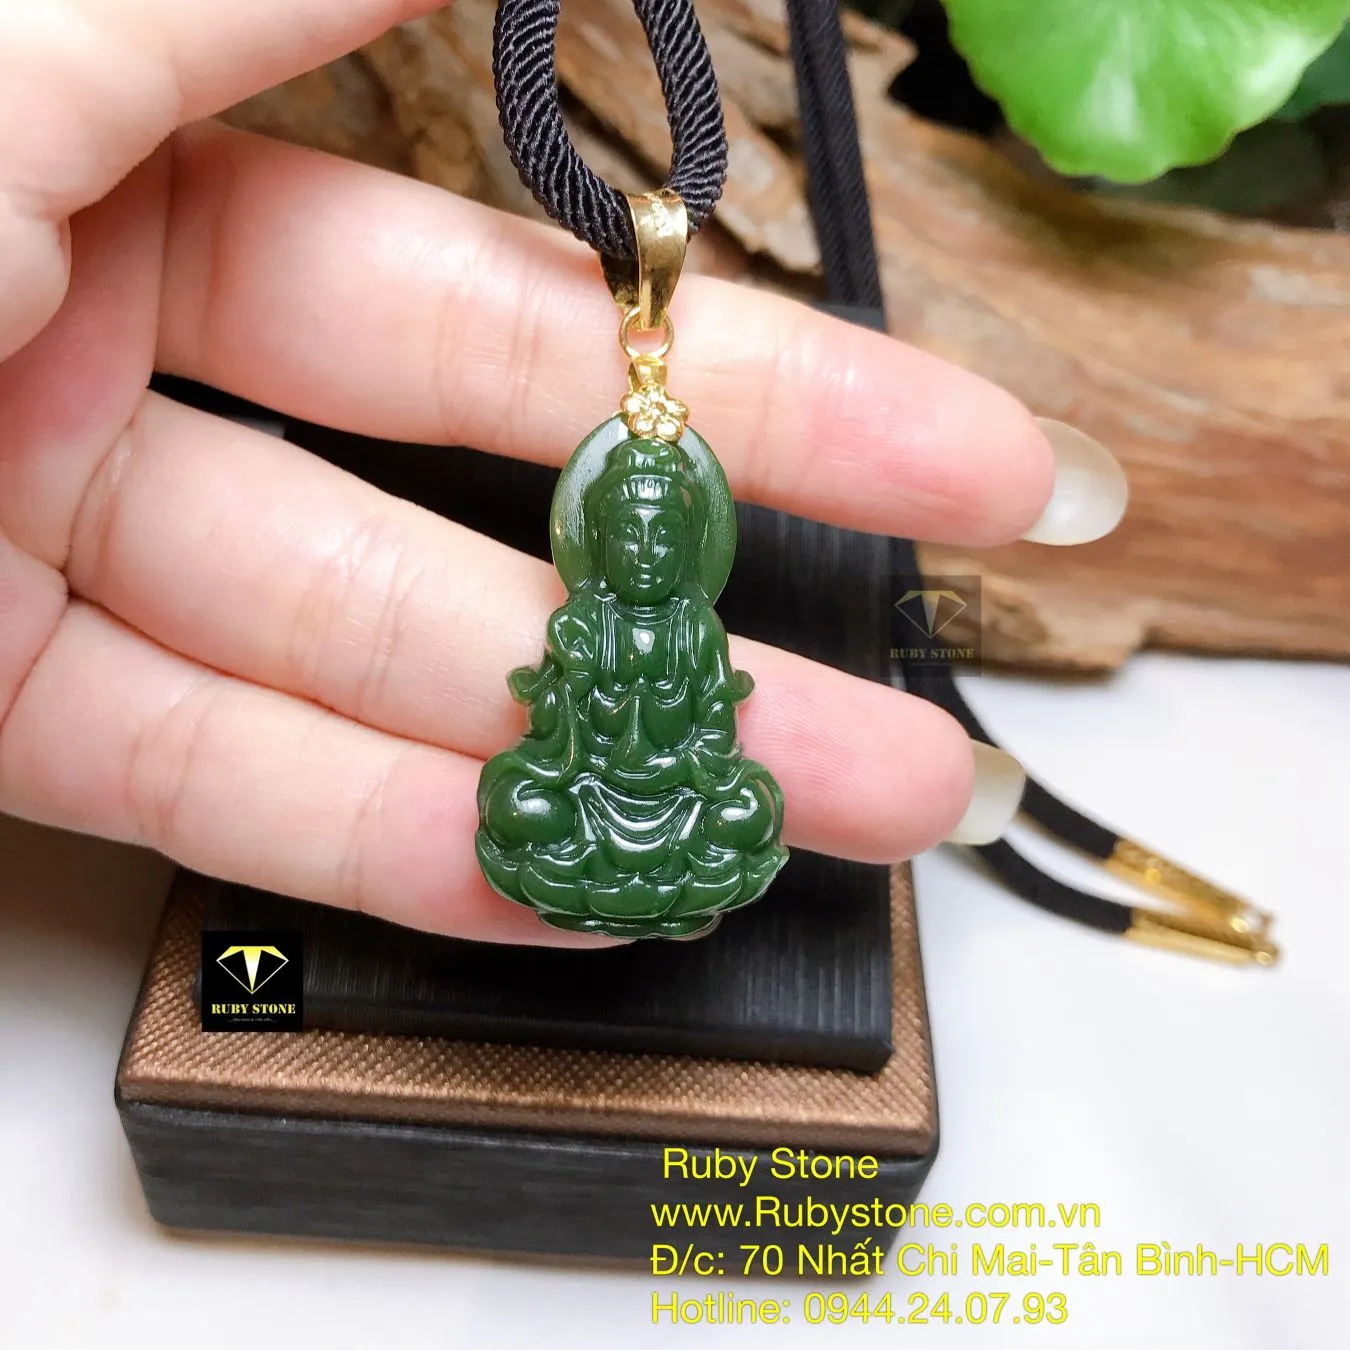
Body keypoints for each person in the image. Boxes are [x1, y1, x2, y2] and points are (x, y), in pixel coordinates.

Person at [0, 0, 1126, 947]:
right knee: (520, 796)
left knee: (745, 804)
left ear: (688, 540)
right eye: (626, 527)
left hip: (668, 805)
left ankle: (649, 875)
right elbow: (558, 740)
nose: (642, 542)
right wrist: (575, 720)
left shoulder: (687, 629)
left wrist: (686, 740)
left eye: (659, 530)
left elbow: (708, 739)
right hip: (587, 797)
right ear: (597, 535)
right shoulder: (583, 623)